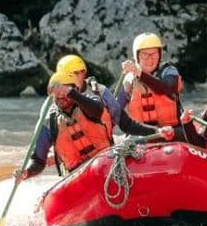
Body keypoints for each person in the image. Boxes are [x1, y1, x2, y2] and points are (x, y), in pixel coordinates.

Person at [18, 72, 177, 178]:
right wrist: (27, 172)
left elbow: (98, 110)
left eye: (66, 92)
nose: (62, 97)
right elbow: (38, 161)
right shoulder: (48, 121)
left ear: (75, 91)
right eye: (57, 94)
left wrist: (157, 131)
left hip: (107, 165)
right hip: (76, 176)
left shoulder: (89, 103)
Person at [55, 54, 166, 137]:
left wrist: (156, 131)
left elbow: (126, 124)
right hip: (77, 163)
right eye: (71, 75)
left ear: (84, 72)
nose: (75, 79)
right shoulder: (56, 104)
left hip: (102, 154)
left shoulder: (101, 91)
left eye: (78, 73)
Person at [116, 33, 191, 140]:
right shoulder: (129, 79)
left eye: (154, 54)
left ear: (160, 55)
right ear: (137, 56)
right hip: (142, 134)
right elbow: (116, 109)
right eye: (145, 55)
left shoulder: (169, 71)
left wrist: (139, 73)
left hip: (173, 131)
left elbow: (165, 88)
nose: (150, 59)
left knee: (184, 134)